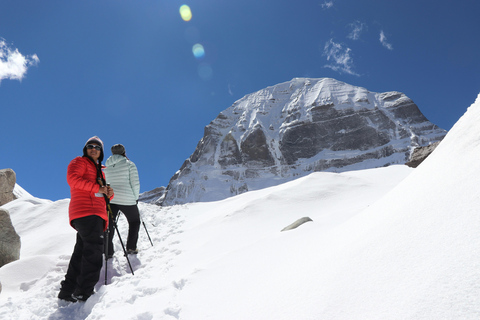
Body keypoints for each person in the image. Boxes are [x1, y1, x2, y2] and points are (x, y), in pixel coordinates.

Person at [58, 136, 113, 303]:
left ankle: (68, 291)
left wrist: (109, 193)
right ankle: (84, 291)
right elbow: (73, 180)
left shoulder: (99, 170)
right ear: (85, 149)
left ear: (101, 152)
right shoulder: (79, 162)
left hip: (93, 213)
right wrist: (99, 188)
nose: (94, 148)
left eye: (97, 147)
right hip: (86, 212)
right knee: (94, 251)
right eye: (90, 146)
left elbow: (101, 194)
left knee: (81, 253)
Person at [104, 144, 141, 257]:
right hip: (127, 199)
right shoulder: (129, 164)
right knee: (134, 221)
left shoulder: (106, 165)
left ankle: (107, 251)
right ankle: (131, 247)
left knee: (109, 225)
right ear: (124, 152)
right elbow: (134, 183)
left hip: (111, 199)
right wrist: (135, 198)